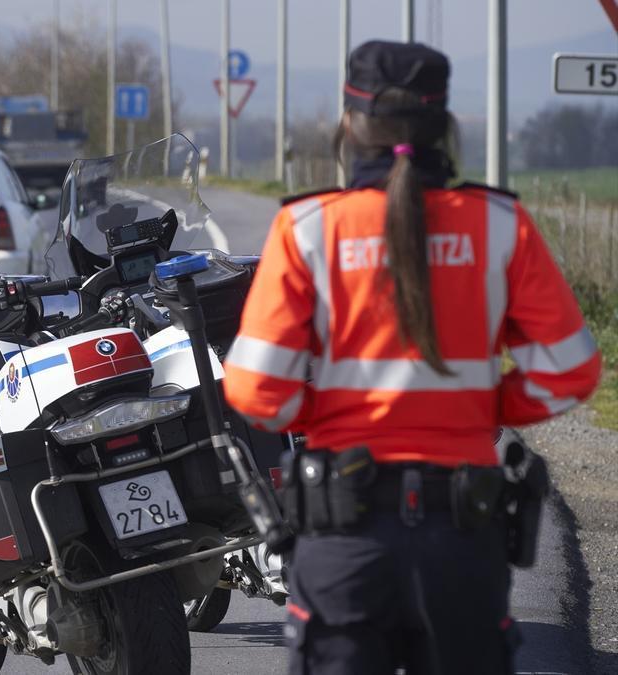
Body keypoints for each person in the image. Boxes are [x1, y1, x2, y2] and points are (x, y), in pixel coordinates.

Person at [223, 41, 601, 674]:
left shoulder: (309, 228)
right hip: (462, 537)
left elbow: (256, 388)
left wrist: (324, 413)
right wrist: (485, 405)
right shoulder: (500, 225)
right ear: (445, 124)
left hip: (346, 540)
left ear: (349, 124)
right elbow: (572, 371)